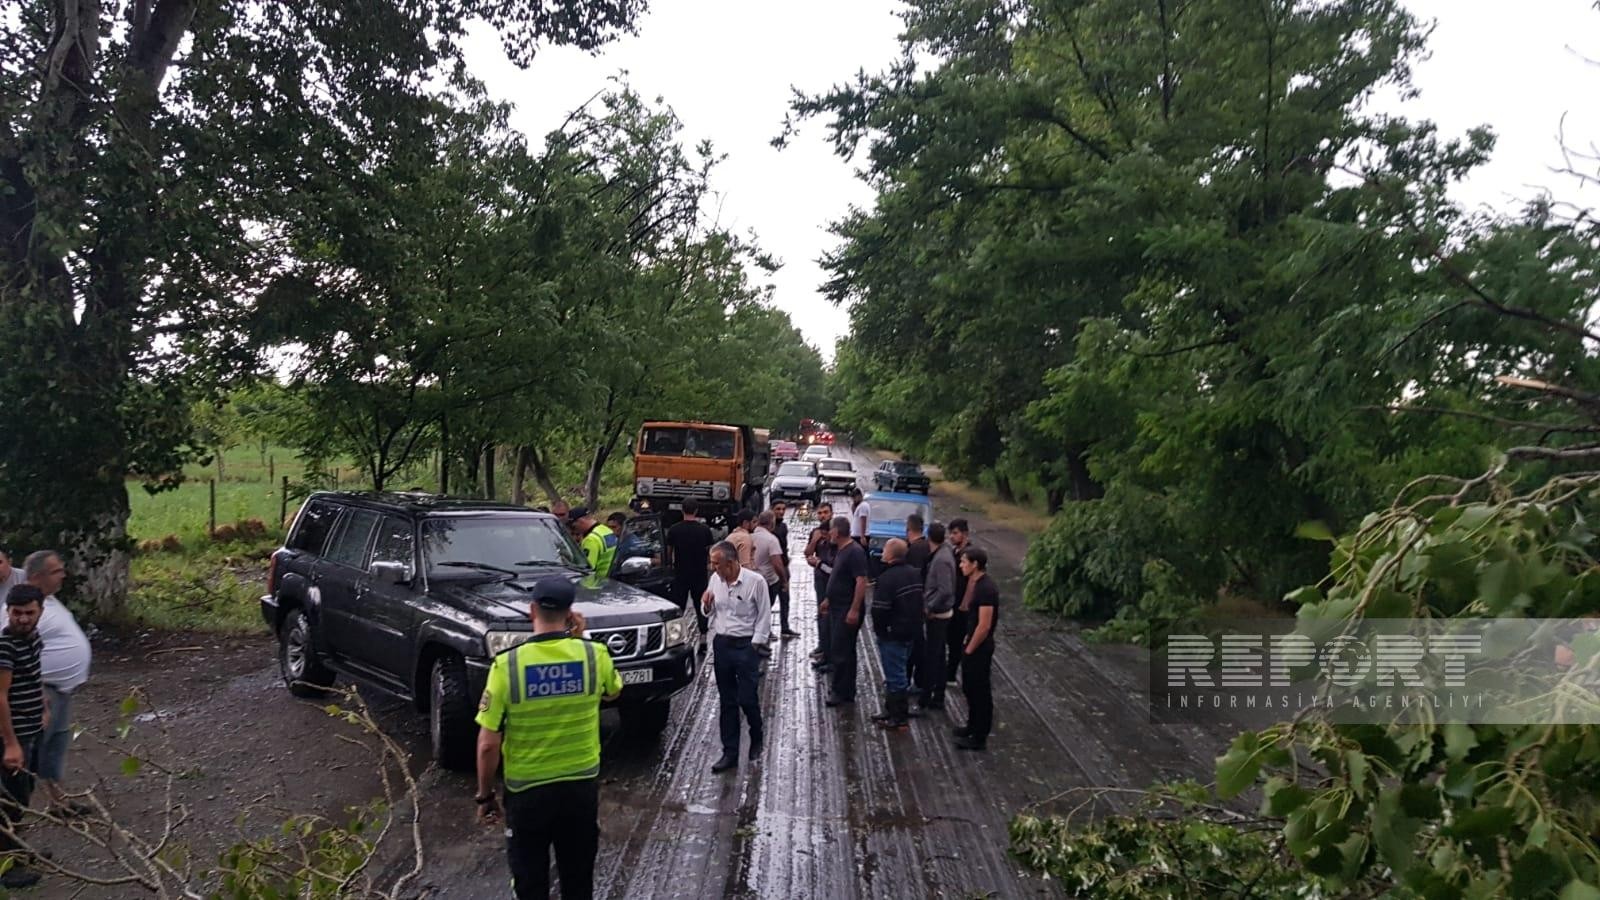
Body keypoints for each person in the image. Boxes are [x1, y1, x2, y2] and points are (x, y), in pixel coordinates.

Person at [474, 578, 622, 900]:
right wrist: (580, 638)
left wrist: (485, 797)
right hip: (579, 789)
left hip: (527, 794)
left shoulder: (507, 665)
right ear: (570, 613)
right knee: (578, 881)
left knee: (530, 884)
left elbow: (487, 744)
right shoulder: (594, 656)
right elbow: (613, 692)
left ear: (532, 611)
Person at [24, 551, 91, 818]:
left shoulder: (48, 601)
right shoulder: (25, 608)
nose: (63, 575)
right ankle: (12, 812)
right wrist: (31, 691)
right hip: (41, 691)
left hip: (61, 690)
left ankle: (59, 802)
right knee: (28, 750)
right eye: (56, 571)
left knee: (54, 747)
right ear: (36, 577)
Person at [702, 541, 770, 772]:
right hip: (722, 644)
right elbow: (709, 611)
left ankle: (756, 734)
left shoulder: (756, 582)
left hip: (746, 646)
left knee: (747, 698)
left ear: (730, 563)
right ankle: (729, 752)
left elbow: (764, 616)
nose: (712, 568)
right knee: (727, 701)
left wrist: (755, 645)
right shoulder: (715, 580)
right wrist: (706, 606)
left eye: (716, 563)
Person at [0, 585, 46, 889]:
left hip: (31, 730)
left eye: (30, 612)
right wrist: (11, 744)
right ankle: (6, 867)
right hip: (12, 735)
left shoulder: (33, 639)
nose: (23, 619)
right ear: (8, 612)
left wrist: (43, 707)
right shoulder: (5, 647)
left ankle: (17, 851)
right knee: (9, 802)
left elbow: (34, 677)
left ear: (40, 611)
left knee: (23, 797)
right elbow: (0, 696)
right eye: (17, 613)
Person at [870, 539, 924, 730]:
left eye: (885, 549)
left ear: (891, 555)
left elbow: (880, 609)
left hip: (893, 634)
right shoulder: (914, 573)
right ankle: (890, 709)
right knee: (899, 671)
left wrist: (881, 630)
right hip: (911, 631)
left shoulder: (887, 578)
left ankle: (898, 717)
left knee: (895, 676)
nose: (883, 552)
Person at [953, 548, 999, 751]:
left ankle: (979, 735)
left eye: (964, 562)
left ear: (975, 564)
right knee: (970, 688)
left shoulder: (986, 589)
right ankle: (971, 726)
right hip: (972, 643)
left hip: (980, 648)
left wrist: (970, 649)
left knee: (980, 691)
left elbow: (984, 625)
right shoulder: (977, 584)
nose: (961, 565)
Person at [823, 516, 870, 707]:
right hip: (837, 606)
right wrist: (828, 599)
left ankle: (840, 691)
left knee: (840, 651)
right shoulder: (842, 550)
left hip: (846, 608)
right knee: (844, 649)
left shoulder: (854, 552)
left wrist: (854, 609)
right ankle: (846, 689)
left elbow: (861, 581)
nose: (829, 534)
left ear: (836, 532)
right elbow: (839, 577)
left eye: (831, 530)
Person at [920, 523, 957, 711]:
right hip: (940, 611)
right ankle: (938, 695)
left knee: (932, 656)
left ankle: (927, 696)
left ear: (928, 538)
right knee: (939, 655)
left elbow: (945, 589)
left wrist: (930, 607)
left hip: (939, 614)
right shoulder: (944, 552)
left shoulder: (941, 559)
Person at [666, 499, 715, 637]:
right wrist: (709, 566)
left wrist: (669, 567)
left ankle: (674, 634)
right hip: (699, 573)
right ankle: (704, 634)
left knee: (677, 606)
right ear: (696, 511)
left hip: (680, 573)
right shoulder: (704, 530)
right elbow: (710, 552)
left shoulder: (674, 529)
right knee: (701, 605)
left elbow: (669, 552)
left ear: (682, 510)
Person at [804, 502, 836, 671]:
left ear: (831, 513)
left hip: (834, 580)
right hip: (820, 579)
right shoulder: (815, 532)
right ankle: (823, 646)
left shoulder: (836, 532)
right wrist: (815, 540)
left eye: (825, 512)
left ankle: (831, 652)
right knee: (821, 613)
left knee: (830, 616)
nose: (823, 516)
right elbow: (808, 553)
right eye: (820, 513)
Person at [750, 512, 790, 643]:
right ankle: (762, 637)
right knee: (765, 610)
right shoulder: (771, 540)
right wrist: (784, 581)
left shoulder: (750, 537)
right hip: (768, 580)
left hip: (751, 579)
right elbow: (777, 563)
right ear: (772, 523)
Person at [902, 514, 930, 692]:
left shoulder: (913, 550)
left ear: (908, 528)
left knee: (914, 645)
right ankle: (917, 680)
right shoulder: (927, 546)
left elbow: (913, 577)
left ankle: (910, 680)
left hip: (915, 603)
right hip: (923, 600)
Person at [945, 519, 976, 684]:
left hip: (961, 605)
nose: (951, 536)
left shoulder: (970, 554)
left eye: (955, 533)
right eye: (950, 533)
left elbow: (972, 580)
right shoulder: (954, 551)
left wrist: (965, 603)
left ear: (964, 534)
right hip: (953, 600)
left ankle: (951, 675)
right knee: (950, 638)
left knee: (957, 640)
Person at [769, 501, 799, 639]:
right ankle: (767, 629)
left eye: (783, 509)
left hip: (784, 566)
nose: (781, 512)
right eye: (778, 509)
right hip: (775, 568)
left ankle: (785, 627)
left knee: (785, 599)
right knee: (770, 600)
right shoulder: (771, 529)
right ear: (772, 510)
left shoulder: (783, 526)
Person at [568, 508, 618, 577]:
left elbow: (586, 569)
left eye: (573, 526)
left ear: (581, 521)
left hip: (598, 580)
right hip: (611, 577)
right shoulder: (606, 530)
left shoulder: (591, 540)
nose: (575, 530)